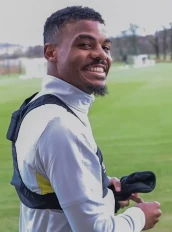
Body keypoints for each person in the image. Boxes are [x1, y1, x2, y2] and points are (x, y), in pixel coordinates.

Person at [6, 6, 161, 232]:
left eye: (105, 47)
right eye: (85, 45)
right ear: (51, 52)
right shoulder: (61, 127)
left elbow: (49, 195)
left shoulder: (38, 105)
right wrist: (139, 217)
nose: (101, 54)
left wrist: (100, 190)